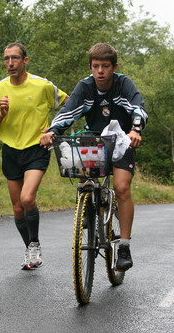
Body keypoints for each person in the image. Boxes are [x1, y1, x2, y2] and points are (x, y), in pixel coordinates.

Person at [40, 43, 147, 271]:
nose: (100, 71)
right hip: (94, 140)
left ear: (114, 67)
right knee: (78, 154)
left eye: (105, 66)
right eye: (96, 66)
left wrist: (136, 130)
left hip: (120, 139)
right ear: (90, 67)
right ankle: (87, 206)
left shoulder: (123, 84)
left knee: (121, 187)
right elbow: (68, 113)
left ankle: (124, 247)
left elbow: (138, 108)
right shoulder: (85, 87)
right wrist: (52, 131)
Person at [0, 42, 68, 270]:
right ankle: (31, 248)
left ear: (25, 61)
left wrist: (54, 130)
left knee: (27, 198)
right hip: (10, 150)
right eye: (6, 59)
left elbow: (69, 104)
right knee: (18, 208)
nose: (10, 63)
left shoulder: (42, 86)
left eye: (15, 58)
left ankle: (34, 246)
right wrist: (1, 114)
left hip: (36, 148)